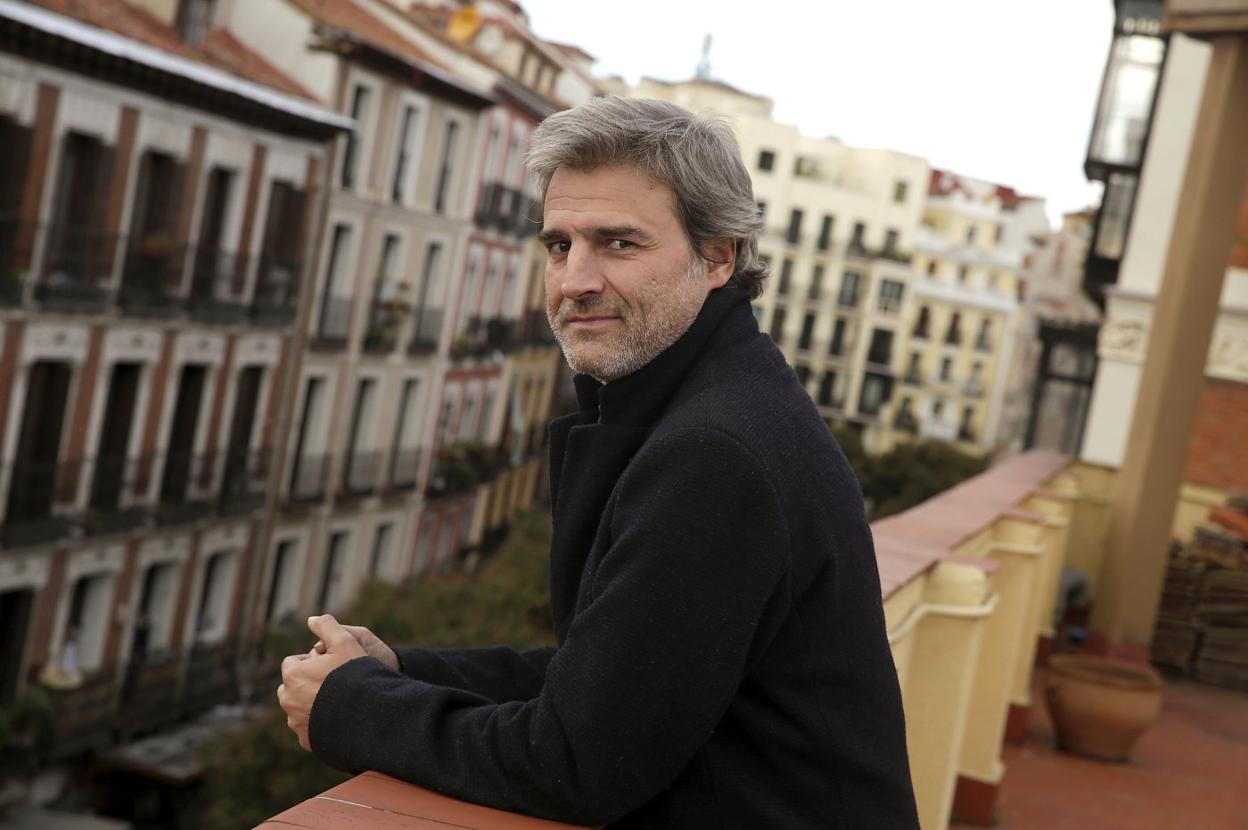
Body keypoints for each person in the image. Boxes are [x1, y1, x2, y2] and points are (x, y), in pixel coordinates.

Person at [279, 96, 919, 829]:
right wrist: (399, 671)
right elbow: (612, 676)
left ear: (719, 255)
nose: (573, 281)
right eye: (559, 246)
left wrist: (348, 709)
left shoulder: (717, 455)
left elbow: (577, 762)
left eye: (618, 244)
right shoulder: (714, 402)